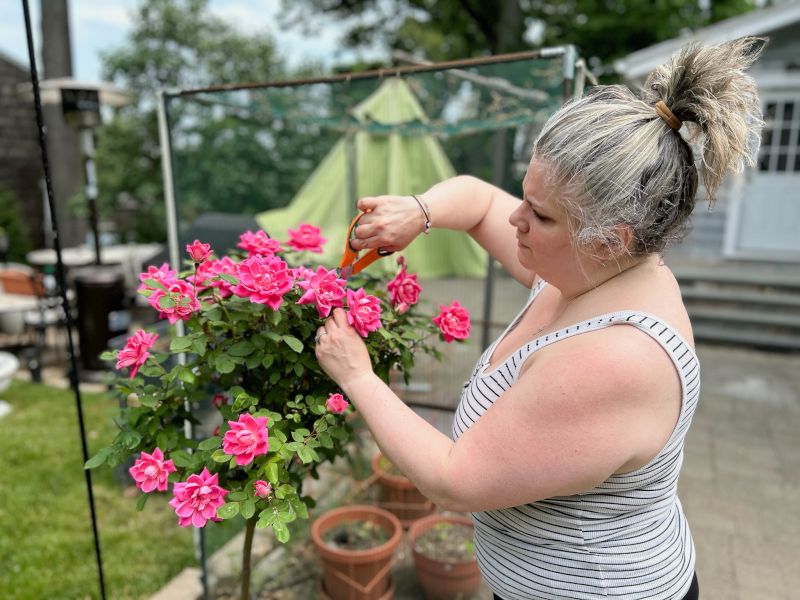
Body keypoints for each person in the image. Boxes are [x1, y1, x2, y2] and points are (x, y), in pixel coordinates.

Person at [315, 37, 764, 600]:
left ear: (610, 239)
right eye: (525, 197)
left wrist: (356, 375)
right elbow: (478, 202)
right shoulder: (593, 270)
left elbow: (455, 481)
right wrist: (420, 210)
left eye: (540, 214)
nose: (516, 219)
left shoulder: (615, 358)